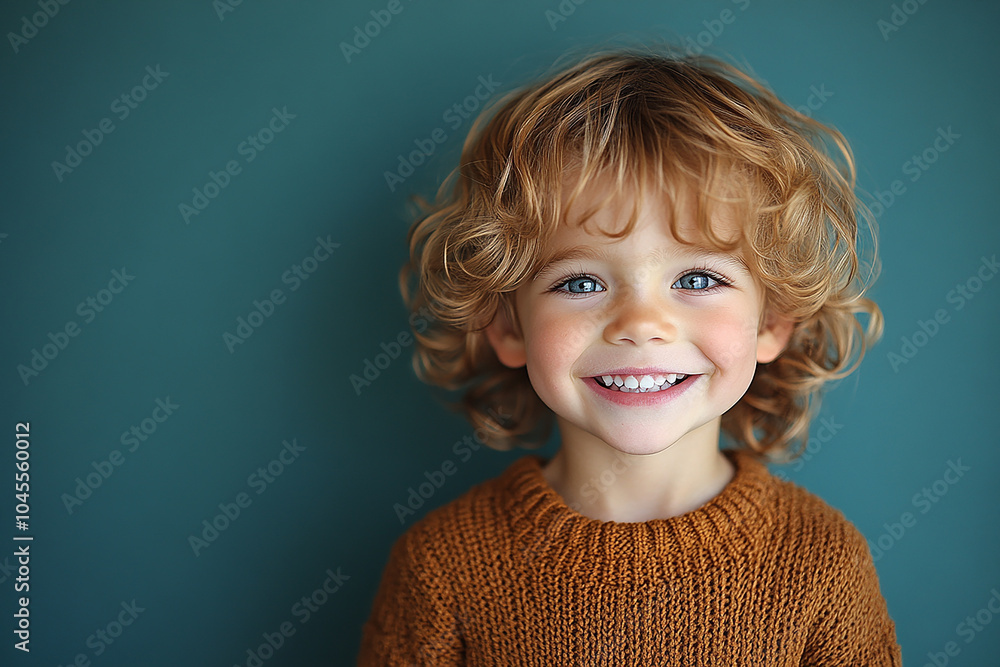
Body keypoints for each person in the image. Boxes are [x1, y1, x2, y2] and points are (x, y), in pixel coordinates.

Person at [358, 45, 901, 665]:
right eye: (580, 283)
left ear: (771, 322)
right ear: (506, 326)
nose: (641, 325)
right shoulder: (440, 565)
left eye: (697, 280)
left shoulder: (825, 561)